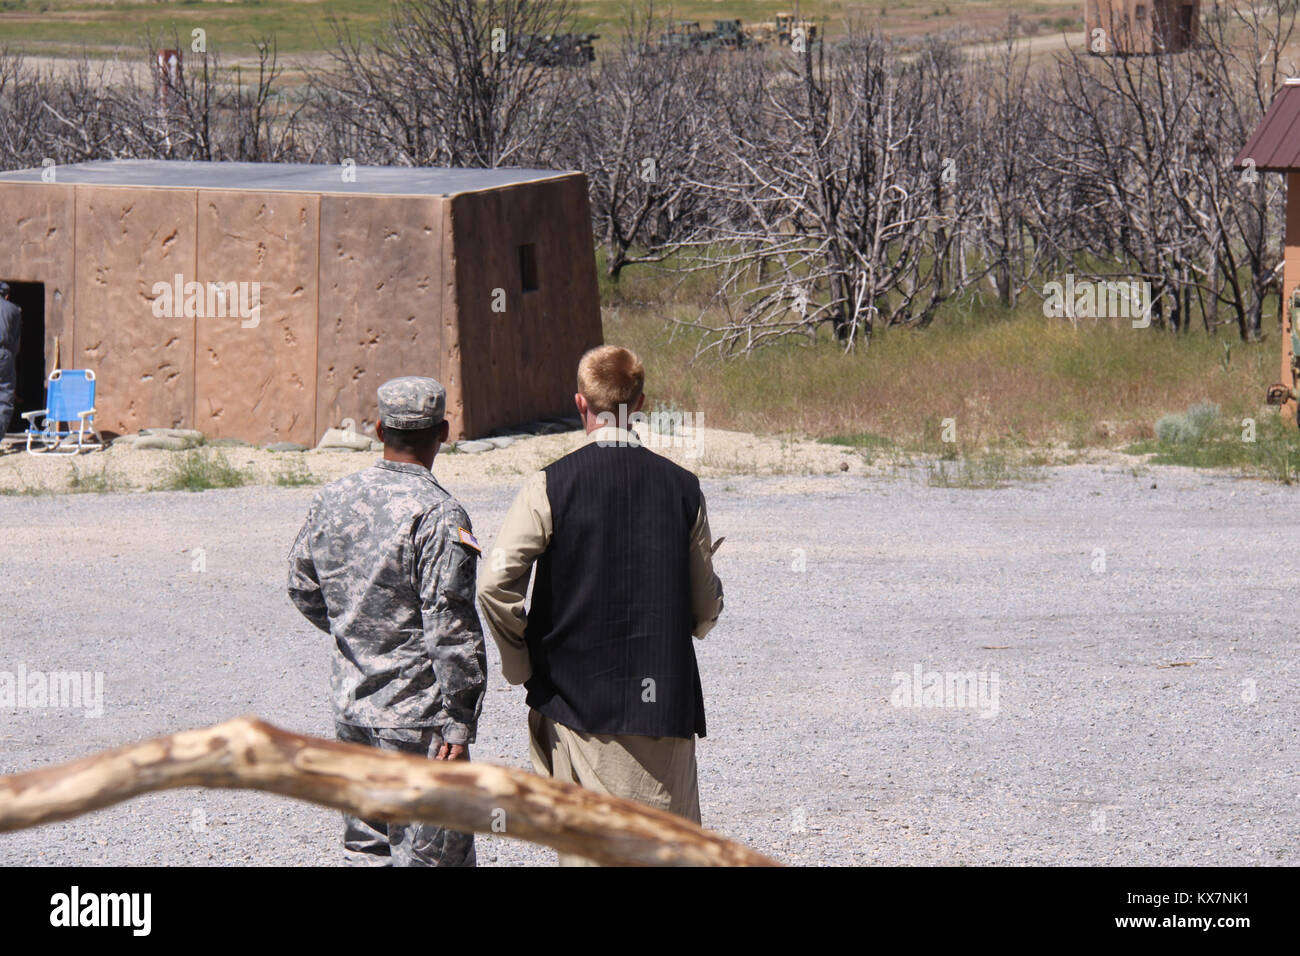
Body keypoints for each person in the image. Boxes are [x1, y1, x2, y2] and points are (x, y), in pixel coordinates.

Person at [477, 345, 724, 866]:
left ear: (580, 403)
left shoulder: (550, 484)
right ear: (641, 403)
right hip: (665, 705)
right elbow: (705, 607)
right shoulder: (683, 487)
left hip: (577, 703)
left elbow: (493, 584)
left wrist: (522, 664)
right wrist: (697, 621)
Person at [287, 376, 487, 867]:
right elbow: (451, 627)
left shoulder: (331, 498)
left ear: (379, 429)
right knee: (432, 858)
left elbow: (302, 586)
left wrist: (359, 632)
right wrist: (460, 721)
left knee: (367, 850)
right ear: (443, 432)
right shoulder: (438, 514)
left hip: (353, 708)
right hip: (419, 721)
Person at [0, 282, 21, 438]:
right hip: (4, 353)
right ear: (6, 296)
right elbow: (15, 341)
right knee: (5, 394)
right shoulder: (14, 310)